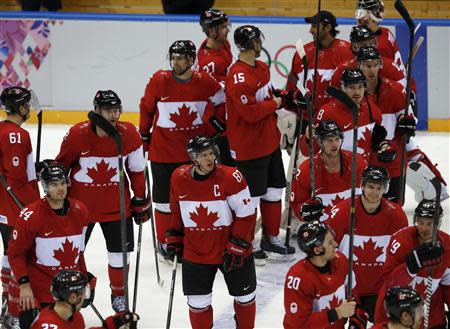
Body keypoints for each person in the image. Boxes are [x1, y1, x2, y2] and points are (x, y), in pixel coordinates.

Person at [55, 90, 150, 313]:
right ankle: (77, 289)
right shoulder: (77, 134)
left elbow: (136, 171)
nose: (113, 115)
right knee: (71, 254)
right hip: (80, 210)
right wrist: (58, 200)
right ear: (96, 111)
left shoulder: (129, 135)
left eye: (116, 110)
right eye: (108, 110)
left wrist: (140, 198)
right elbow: (61, 168)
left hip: (117, 209)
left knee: (119, 257)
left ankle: (119, 295)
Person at [139, 40, 225, 260]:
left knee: (192, 198)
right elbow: (146, 107)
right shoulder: (159, 80)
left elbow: (222, 99)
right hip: (163, 152)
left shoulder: (205, 81)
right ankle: (164, 243)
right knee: (163, 200)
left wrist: (216, 122)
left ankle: (187, 237)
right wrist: (144, 136)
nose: (176, 61)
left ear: (191, 60)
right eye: (174, 57)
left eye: (181, 57)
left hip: (193, 153)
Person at [166, 135, 257, 329]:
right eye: (203, 155)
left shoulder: (231, 176)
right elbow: (176, 211)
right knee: (198, 303)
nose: (209, 159)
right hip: (196, 252)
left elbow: (247, 213)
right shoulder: (178, 178)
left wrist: (239, 244)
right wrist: (174, 236)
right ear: (193, 158)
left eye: (211, 154)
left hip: (230, 249)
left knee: (245, 297)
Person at [225, 25, 293, 256]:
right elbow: (250, 113)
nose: (260, 43)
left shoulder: (262, 67)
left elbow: (270, 94)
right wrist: (275, 104)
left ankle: (270, 238)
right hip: (249, 146)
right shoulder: (238, 76)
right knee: (250, 199)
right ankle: (247, 242)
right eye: (258, 40)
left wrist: (286, 97)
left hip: (269, 141)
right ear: (253, 43)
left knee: (274, 191)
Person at [6, 162, 91, 329]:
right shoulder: (31, 216)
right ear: (45, 187)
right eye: (53, 184)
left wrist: (85, 282)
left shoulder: (81, 210)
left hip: (66, 290)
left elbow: (79, 253)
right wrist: (24, 286)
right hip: (37, 290)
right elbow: (15, 254)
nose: (60, 188)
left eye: (62, 183)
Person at [326, 165, 408, 321]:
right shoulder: (342, 212)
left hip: (379, 290)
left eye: (379, 188)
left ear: (386, 189)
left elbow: (401, 255)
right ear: (362, 185)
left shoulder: (396, 215)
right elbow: (328, 251)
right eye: (370, 186)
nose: (374, 192)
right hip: (346, 289)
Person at [374, 200, 450, 328]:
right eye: (420, 222)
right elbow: (388, 282)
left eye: (429, 223)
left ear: (438, 223)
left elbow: (448, 286)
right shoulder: (401, 241)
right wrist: (410, 266)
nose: (424, 228)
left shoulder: (447, 247)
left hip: (431, 320)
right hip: (399, 319)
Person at [0, 87, 40, 323]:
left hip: (4, 206)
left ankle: (7, 303)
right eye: (26, 103)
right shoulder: (16, 135)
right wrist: (33, 205)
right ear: (20, 108)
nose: (29, 108)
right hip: (16, 206)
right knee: (20, 258)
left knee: (9, 253)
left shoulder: (3, 129)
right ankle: (15, 314)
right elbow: (16, 178)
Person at [283, 222, 368, 329]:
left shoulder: (340, 261)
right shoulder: (298, 278)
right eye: (330, 242)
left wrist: (356, 322)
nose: (336, 245)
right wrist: (336, 313)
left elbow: (354, 298)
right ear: (318, 250)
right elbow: (299, 325)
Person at [357, 46, 415, 202]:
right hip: (362, 160)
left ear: (381, 65)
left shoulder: (395, 90)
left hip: (392, 160)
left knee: (392, 210)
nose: (371, 69)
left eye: (375, 64)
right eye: (367, 65)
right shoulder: (354, 93)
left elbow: (408, 119)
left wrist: (407, 123)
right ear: (359, 65)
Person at [290, 120, 367, 223]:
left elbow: (369, 196)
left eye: (337, 139)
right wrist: (304, 211)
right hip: (324, 231)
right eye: (329, 140)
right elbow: (297, 205)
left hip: (354, 227)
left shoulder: (358, 162)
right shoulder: (306, 170)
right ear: (319, 142)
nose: (334, 144)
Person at [302, 68, 385, 161]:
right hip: (337, 172)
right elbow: (307, 152)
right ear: (343, 87)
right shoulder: (327, 113)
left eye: (360, 87)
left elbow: (375, 150)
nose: (357, 92)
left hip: (364, 171)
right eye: (352, 87)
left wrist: (383, 145)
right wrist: (308, 139)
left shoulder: (373, 110)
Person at [286, 10, 354, 109]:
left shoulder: (347, 52)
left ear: (328, 27)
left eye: (315, 26)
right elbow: (292, 85)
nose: (311, 30)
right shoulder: (303, 52)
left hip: (336, 118)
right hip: (306, 117)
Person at [31, 270, 139, 329]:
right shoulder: (48, 325)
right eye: (83, 293)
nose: (84, 297)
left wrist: (112, 325)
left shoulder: (74, 317)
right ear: (73, 297)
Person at [197, 8, 235, 166]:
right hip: (219, 124)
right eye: (223, 27)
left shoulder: (223, 44)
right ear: (212, 31)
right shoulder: (208, 63)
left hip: (228, 116)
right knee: (227, 167)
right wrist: (213, 121)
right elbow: (204, 96)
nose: (227, 30)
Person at [330, 25, 406, 89]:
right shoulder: (342, 69)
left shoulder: (390, 67)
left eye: (371, 43)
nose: (368, 48)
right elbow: (334, 96)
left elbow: (402, 95)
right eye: (363, 45)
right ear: (354, 47)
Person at [355, 0, 404, 69]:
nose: (360, 27)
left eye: (366, 23)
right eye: (359, 22)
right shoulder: (386, 32)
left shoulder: (376, 45)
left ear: (376, 21)